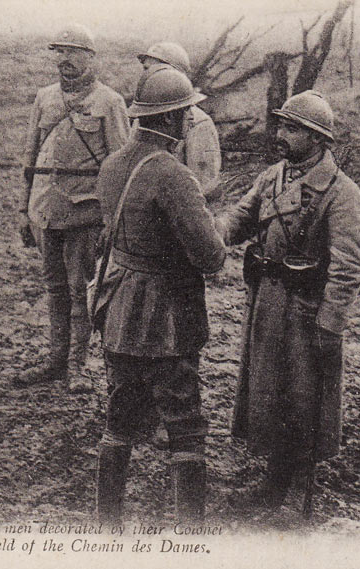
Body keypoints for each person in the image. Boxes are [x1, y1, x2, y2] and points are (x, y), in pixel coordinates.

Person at [218, 90, 360, 509]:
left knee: (299, 393)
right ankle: (276, 466)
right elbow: (240, 218)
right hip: (267, 299)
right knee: (268, 385)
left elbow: (350, 265)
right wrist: (209, 235)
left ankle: (283, 478)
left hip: (305, 309)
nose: (281, 135)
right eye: (282, 125)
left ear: (318, 139)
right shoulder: (274, 176)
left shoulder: (341, 192)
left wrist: (330, 323)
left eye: (293, 129)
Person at [91, 64, 225, 525]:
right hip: (168, 316)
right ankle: (189, 534)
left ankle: (107, 526)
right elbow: (211, 257)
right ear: (168, 120)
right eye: (186, 114)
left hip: (119, 309)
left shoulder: (111, 165)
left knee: (120, 416)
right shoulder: (174, 176)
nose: (190, 121)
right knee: (185, 424)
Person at [15, 24, 129, 393]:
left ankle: (77, 366)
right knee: (55, 288)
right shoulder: (44, 98)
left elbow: (120, 164)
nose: (64, 60)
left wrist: (112, 219)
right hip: (45, 209)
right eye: (59, 52)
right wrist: (23, 208)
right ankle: (55, 360)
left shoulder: (109, 102)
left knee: (81, 290)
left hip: (85, 212)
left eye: (73, 52)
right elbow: (30, 157)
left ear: (90, 57)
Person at [136, 42, 222, 199]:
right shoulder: (141, 118)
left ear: (177, 76)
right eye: (146, 69)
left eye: (159, 71)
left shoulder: (198, 123)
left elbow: (204, 187)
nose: (149, 76)